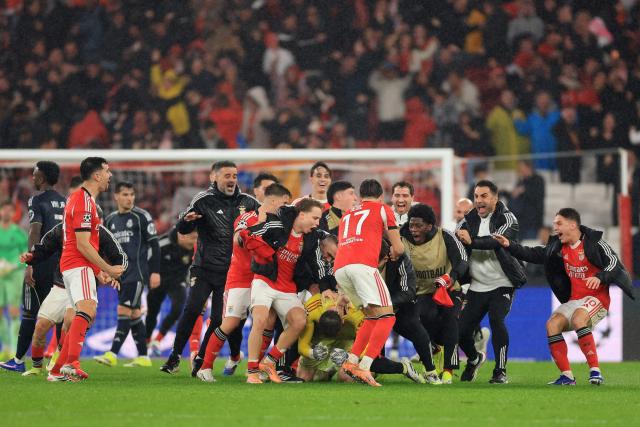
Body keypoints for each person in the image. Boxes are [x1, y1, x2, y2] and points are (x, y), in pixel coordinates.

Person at [493, 208, 634, 385]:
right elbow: (535, 254)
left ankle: (595, 371)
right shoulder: (559, 247)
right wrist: (509, 245)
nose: (555, 228)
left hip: (597, 299)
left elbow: (614, 263)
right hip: (574, 299)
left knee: (578, 319)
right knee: (552, 324)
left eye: (559, 224)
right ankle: (567, 376)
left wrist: (600, 277)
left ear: (573, 225)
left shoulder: (595, 242)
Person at [161, 161, 260, 374]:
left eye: (234, 175)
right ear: (213, 177)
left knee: (218, 320)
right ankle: (175, 355)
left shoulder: (248, 202)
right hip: (204, 267)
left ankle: (201, 359)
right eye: (227, 175)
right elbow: (183, 226)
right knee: (192, 308)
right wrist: (186, 222)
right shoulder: (203, 199)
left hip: (231, 273)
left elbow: (264, 223)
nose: (232, 179)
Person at [15, 209, 127, 379]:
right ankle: (37, 366)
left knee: (70, 322)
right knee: (40, 328)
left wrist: (115, 274)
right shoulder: (62, 230)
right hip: (60, 285)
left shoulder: (100, 232)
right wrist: (31, 257)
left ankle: (61, 363)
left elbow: (119, 256)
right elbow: (44, 248)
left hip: (82, 284)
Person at [196, 183, 291, 383]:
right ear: (273, 200)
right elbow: (239, 239)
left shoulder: (279, 223)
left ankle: (256, 368)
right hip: (241, 278)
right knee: (230, 323)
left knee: (268, 320)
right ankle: (205, 367)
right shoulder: (249, 217)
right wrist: (258, 230)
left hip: (264, 279)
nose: (285, 207)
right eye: (284, 202)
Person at [55, 157, 125, 380]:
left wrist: (98, 271)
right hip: (77, 263)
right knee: (87, 309)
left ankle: (58, 369)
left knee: (86, 315)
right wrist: (108, 267)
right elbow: (83, 243)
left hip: (77, 264)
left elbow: (86, 243)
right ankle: (71, 364)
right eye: (106, 171)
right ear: (96, 175)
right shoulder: (84, 202)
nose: (110, 175)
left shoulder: (83, 200)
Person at [243, 199, 327, 384]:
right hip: (265, 281)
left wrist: (325, 288)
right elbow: (250, 234)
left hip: (287, 287)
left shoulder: (311, 238)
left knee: (299, 322)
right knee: (260, 320)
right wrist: (255, 246)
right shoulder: (278, 223)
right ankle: (251, 372)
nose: (317, 223)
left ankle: (269, 362)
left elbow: (318, 263)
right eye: (315, 218)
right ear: (301, 215)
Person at [333, 179, 404, 387]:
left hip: (341, 269)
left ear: (360, 196)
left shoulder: (347, 214)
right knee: (388, 316)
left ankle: (352, 362)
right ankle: (365, 366)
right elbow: (398, 248)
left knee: (371, 316)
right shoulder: (383, 209)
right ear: (381, 196)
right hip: (363, 267)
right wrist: (392, 251)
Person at [456, 180, 526, 384]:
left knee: (497, 321)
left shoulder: (508, 218)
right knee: (461, 330)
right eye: (476, 196)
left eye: (484, 196)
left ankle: (500, 370)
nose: (479, 200)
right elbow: (457, 245)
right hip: (477, 285)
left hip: (503, 282)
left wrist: (471, 241)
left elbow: (497, 241)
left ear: (495, 198)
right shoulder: (467, 220)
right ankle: (474, 358)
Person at [0, 162, 65, 373]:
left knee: (29, 312)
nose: (32, 177)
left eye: (35, 174)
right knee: (60, 314)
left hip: (42, 263)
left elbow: (34, 232)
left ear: (43, 177)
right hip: (62, 264)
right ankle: (59, 361)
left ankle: (18, 360)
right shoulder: (66, 202)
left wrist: (30, 262)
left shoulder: (36, 200)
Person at [94, 182, 160, 368]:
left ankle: (112, 354)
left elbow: (154, 245)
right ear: (116, 196)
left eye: (131, 194)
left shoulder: (141, 216)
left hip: (137, 273)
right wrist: (104, 269)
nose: (129, 198)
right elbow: (104, 248)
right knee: (134, 314)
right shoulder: (111, 220)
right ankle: (144, 357)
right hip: (119, 276)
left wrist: (155, 272)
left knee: (123, 310)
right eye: (125, 194)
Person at [401, 204, 469, 384]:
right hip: (423, 292)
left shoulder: (445, 236)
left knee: (450, 320)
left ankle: (448, 369)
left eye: (418, 226)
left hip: (449, 289)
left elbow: (462, 260)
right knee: (420, 320)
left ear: (430, 226)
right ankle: (431, 358)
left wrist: (451, 277)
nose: (413, 229)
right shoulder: (402, 236)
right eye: (411, 225)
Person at [146, 227, 196, 355]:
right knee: (152, 313)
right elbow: (147, 256)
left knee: (178, 308)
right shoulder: (162, 243)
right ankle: (146, 345)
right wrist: (151, 274)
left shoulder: (195, 247)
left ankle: (157, 340)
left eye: (196, 238)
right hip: (158, 281)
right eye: (192, 238)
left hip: (177, 282)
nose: (194, 242)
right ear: (182, 236)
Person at [0, 201, 27, 363]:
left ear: (14, 213)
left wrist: (13, 265)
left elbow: (25, 256)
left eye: (10, 210)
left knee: (14, 311)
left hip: (14, 275)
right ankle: (6, 347)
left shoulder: (19, 233)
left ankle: (14, 349)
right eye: (5, 210)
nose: (7, 213)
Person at [509, 161, 545, 240]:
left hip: (533, 222)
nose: (520, 171)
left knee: (529, 246)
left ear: (528, 168)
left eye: (521, 168)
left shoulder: (538, 180)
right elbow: (513, 197)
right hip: (519, 222)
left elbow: (538, 196)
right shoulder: (521, 181)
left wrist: (524, 190)